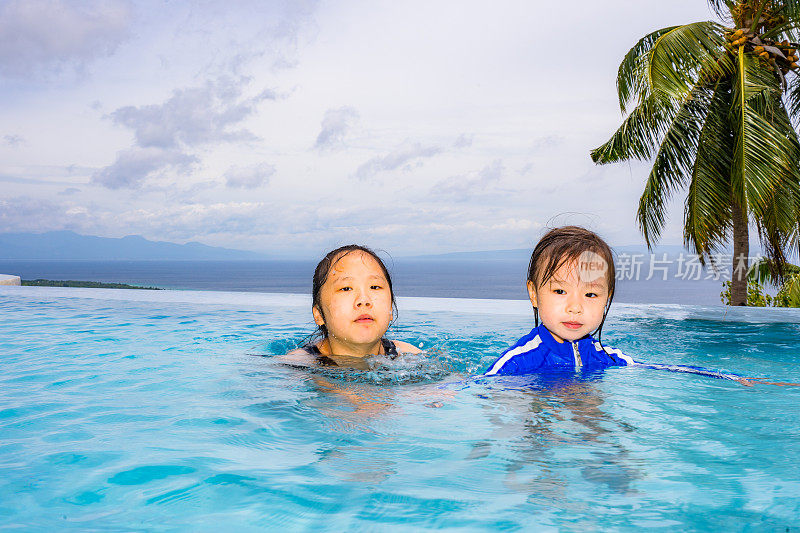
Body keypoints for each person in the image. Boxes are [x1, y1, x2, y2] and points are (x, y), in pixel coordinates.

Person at [483, 226, 754, 384]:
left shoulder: (607, 356)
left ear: (607, 298)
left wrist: (730, 377)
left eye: (591, 295)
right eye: (560, 290)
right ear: (534, 293)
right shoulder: (520, 360)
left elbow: (661, 368)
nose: (575, 306)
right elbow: (479, 386)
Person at [283, 244, 421, 369]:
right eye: (346, 289)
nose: (363, 300)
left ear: (390, 309)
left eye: (374, 286)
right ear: (319, 314)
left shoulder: (409, 355)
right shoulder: (297, 364)